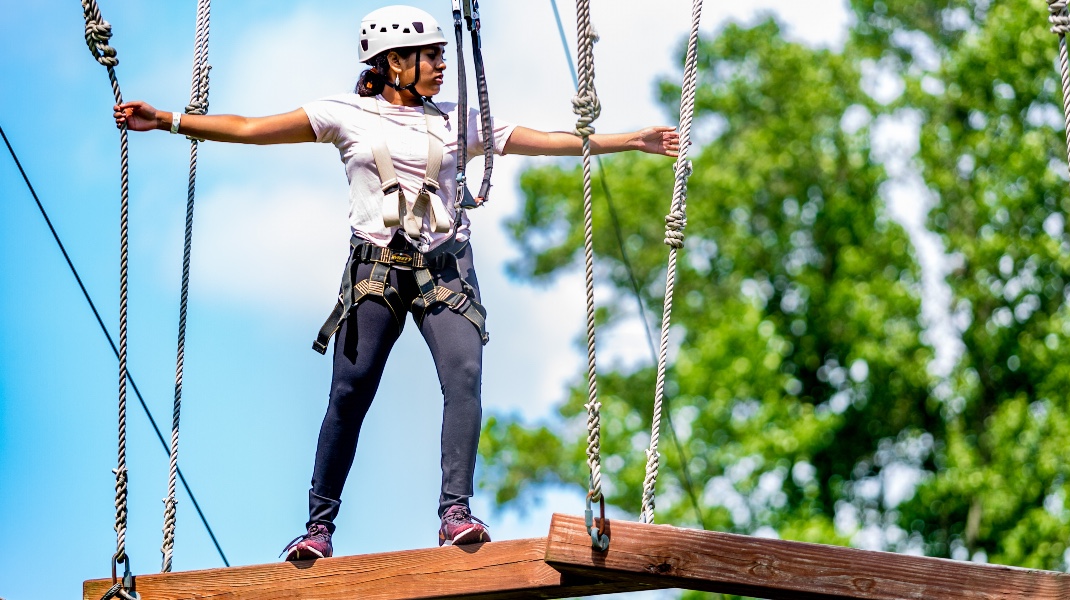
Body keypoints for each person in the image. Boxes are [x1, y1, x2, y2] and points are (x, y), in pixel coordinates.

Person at [114, 5, 679, 560]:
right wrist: (168, 120)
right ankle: (318, 526)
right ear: (392, 63)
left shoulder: (457, 119)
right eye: (430, 55)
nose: (440, 64)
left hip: (444, 271)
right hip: (376, 270)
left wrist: (629, 140)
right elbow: (252, 129)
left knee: (465, 375)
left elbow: (540, 140)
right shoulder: (345, 114)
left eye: (440, 53)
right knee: (350, 389)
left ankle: (455, 513)